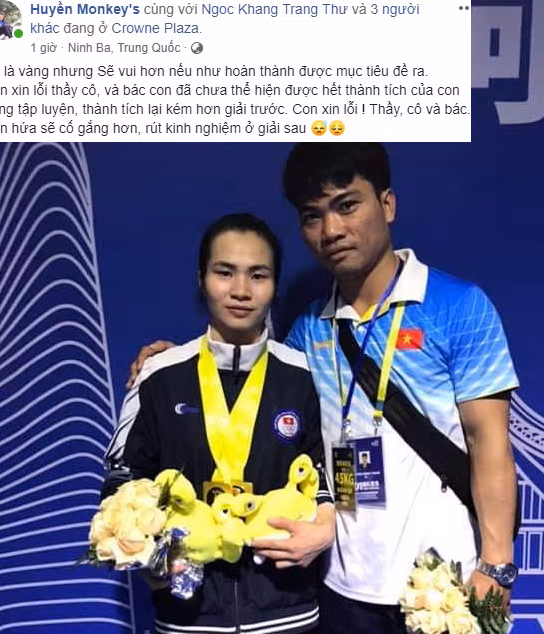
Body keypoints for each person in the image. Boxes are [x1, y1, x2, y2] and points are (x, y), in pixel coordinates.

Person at [129, 144, 520, 633]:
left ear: (388, 204)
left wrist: (496, 564)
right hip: (341, 591)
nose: (331, 230)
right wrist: (176, 360)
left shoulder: (459, 307)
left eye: (347, 205)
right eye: (312, 216)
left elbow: (489, 442)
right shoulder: (308, 329)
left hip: (443, 588)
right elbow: (249, 377)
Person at [103, 213, 335, 634]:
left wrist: (323, 528)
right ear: (202, 279)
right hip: (189, 617)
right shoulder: (159, 376)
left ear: (275, 285)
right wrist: (149, 558)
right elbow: (122, 483)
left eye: (258, 275)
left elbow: (325, 475)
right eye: (224, 272)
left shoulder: (304, 375)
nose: (241, 290)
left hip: (288, 614)